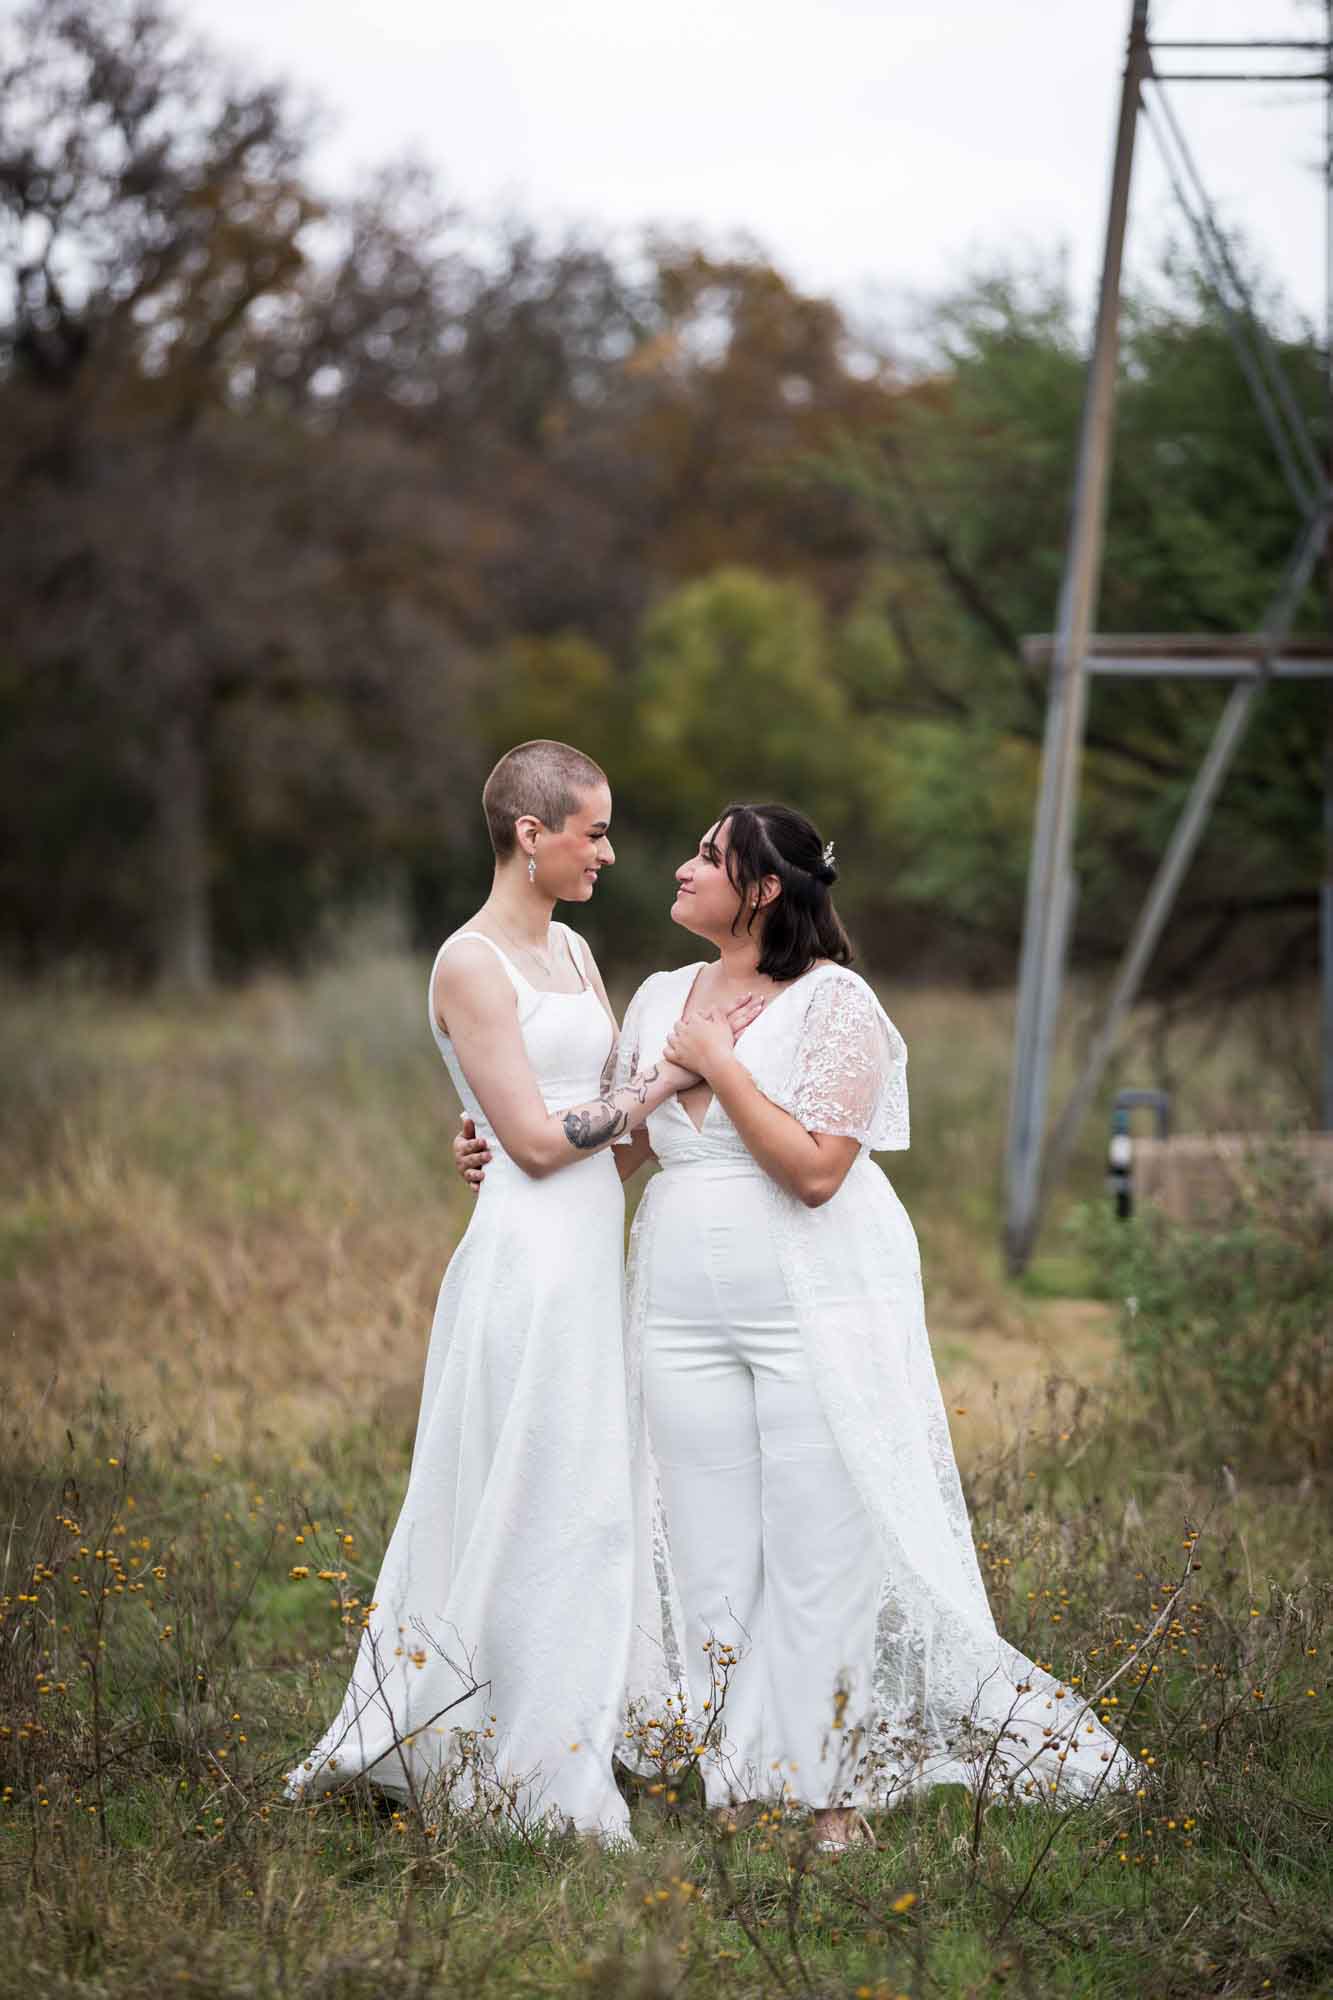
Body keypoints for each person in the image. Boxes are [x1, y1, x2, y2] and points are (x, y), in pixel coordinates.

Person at [458, 802, 1135, 1845]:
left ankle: (831, 1790)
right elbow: (626, 1149)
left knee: (818, 1545)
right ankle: (740, 1780)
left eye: (707, 858)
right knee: (710, 1543)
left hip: (815, 1302)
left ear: (763, 890)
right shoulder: (656, 996)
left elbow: (820, 1171)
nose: (678, 868)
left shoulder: (837, 1005)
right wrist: (504, 1150)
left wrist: (719, 1066)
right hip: (678, 1308)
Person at [285, 740, 754, 1844]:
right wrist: (669, 1077)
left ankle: (561, 1731)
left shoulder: (580, 953)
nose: (607, 850)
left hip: (593, 1249)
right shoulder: (467, 963)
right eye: (591, 830)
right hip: (526, 1261)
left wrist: (647, 1117)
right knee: (524, 1488)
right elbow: (543, 1146)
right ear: (529, 834)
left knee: (590, 1501)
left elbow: (600, 1141)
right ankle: (487, 1746)